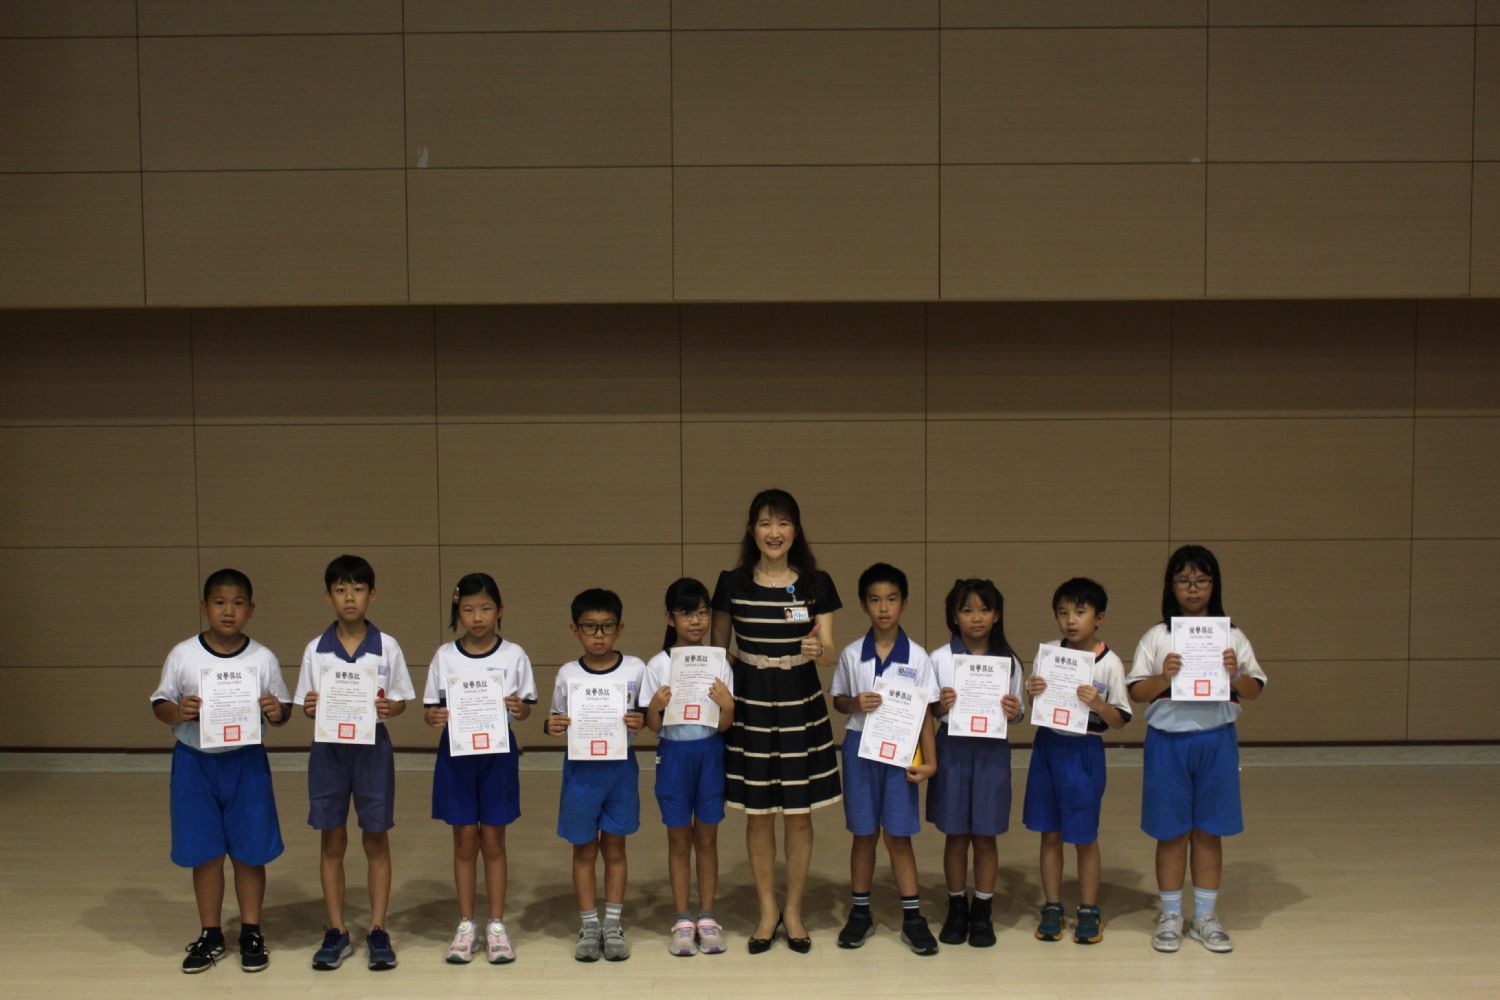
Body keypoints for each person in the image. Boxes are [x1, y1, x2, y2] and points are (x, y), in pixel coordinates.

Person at [710, 488, 841, 954]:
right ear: (752, 530)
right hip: (750, 703)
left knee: (799, 816)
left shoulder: (816, 583)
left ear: (795, 530)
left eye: (783, 523)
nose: (774, 532)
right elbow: (717, 653)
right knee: (759, 815)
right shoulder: (731, 583)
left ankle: (794, 911)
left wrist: (817, 649)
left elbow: (829, 653)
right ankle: (767, 911)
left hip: (799, 701)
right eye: (765, 523)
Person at [1127, 546, 1266, 955]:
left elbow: (1255, 689)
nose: (1192, 589)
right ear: (1170, 586)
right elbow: (1137, 692)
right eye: (1183, 581)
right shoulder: (1158, 636)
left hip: (1215, 739)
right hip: (1168, 742)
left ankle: (1205, 915)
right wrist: (1164, 677)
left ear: (1214, 585)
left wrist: (1234, 674)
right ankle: (1171, 914)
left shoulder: (1231, 636)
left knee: (1208, 829)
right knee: (1171, 831)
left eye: (1201, 580)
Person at [151, 569, 290, 974]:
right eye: (219, 602)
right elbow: (160, 703)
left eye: (238, 603)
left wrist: (276, 711)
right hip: (195, 762)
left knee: (250, 852)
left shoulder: (262, 658)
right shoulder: (183, 655)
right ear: (204, 606)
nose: (229, 611)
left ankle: (251, 932)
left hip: (246, 763)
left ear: (251, 609)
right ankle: (211, 933)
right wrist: (178, 711)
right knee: (205, 853)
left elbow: (283, 710)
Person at [293, 554, 414, 972]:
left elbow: (400, 699)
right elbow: (306, 702)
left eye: (358, 589)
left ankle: (378, 929)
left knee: (376, 838)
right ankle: (336, 930)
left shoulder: (387, 646)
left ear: (371, 595)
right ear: (328, 596)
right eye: (341, 589)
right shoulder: (316, 649)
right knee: (332, 840)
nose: (350, 597)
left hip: (372, 750)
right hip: (328, 752)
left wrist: (391, 708)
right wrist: (312, 707)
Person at [423, 573, 536, 965]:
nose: (477, 617)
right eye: (468, 609)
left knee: (493, 839)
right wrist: (434, 717)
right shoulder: (444, 656)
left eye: (485, 608)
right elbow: (430, 709)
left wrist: (520, 709)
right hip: (456, 755)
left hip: (497, 755)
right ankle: (466, 924)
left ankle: (497, 924)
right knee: (464, 840)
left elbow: (525, 707)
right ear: (458, 611)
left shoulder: (514, 655)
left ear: (499, 610)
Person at [831, 563, 940, 954]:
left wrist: (930, 761)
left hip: (900, 751)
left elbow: (926, 713)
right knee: (863, 834)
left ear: (903, 603)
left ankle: (913, 917)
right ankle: (860, 913)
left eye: (891, 599)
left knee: (898, 835)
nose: (883, 608)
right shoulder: (851, 654)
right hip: (860, 748)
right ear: (864, 604)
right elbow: (839, 700)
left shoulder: (919, 657)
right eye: (875, 600)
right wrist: (853, 703)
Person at [1023, 577, 1131, 944]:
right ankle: (1052, 906)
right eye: (1063, 612)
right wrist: (1033, 691)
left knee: (1084, 836)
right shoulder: (1049, 653)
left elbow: (1120, 720)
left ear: (1099, 618)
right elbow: (1038, 703)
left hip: (1084, 751)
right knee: (1049, 832)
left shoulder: (1109, 663)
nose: (1070, 620)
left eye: (1080, 612)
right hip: (1048, 747)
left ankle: (1088, 909)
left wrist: (1098, 704)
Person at [546, 588, 647, 963]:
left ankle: (613, 924)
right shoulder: (568, 673)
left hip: (620, 769)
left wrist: (641, 721)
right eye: (590, 626)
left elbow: (648, 716)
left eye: (607, 626)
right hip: (581, 771)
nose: (599, 635)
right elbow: (555, 717)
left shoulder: (636, 669)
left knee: (615, 849)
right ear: (575, 630)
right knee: (584, 848)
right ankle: (589, 925)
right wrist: (552, 726)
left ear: (620, 628)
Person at [926, 578, 1025, 948]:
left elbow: (1018, 713)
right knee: (955, 835)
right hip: (951, 748)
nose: (976, 617)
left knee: (985, 835)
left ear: (996, 615)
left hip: (991, 751)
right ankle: (956, 907)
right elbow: (927, 710)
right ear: (954, 616)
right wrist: (940, 706)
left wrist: (1014, 711)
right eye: (967, 610)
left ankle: (982, 910)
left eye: (984, 609)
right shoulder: (939, 658)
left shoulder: (1009, 661)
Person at [640, 577, 736, 956]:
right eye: (686, 614)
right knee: (679, 839)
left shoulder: (719, 662)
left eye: (702, 613)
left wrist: (728, 705)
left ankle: (707, 917)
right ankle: (682, 919)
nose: (696, 621)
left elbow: (725, 725)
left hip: (710, 752)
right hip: (674, 755)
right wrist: (654, 707)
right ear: (670, 618)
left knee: (707, 839)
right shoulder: (658, 664)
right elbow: (652, 726)